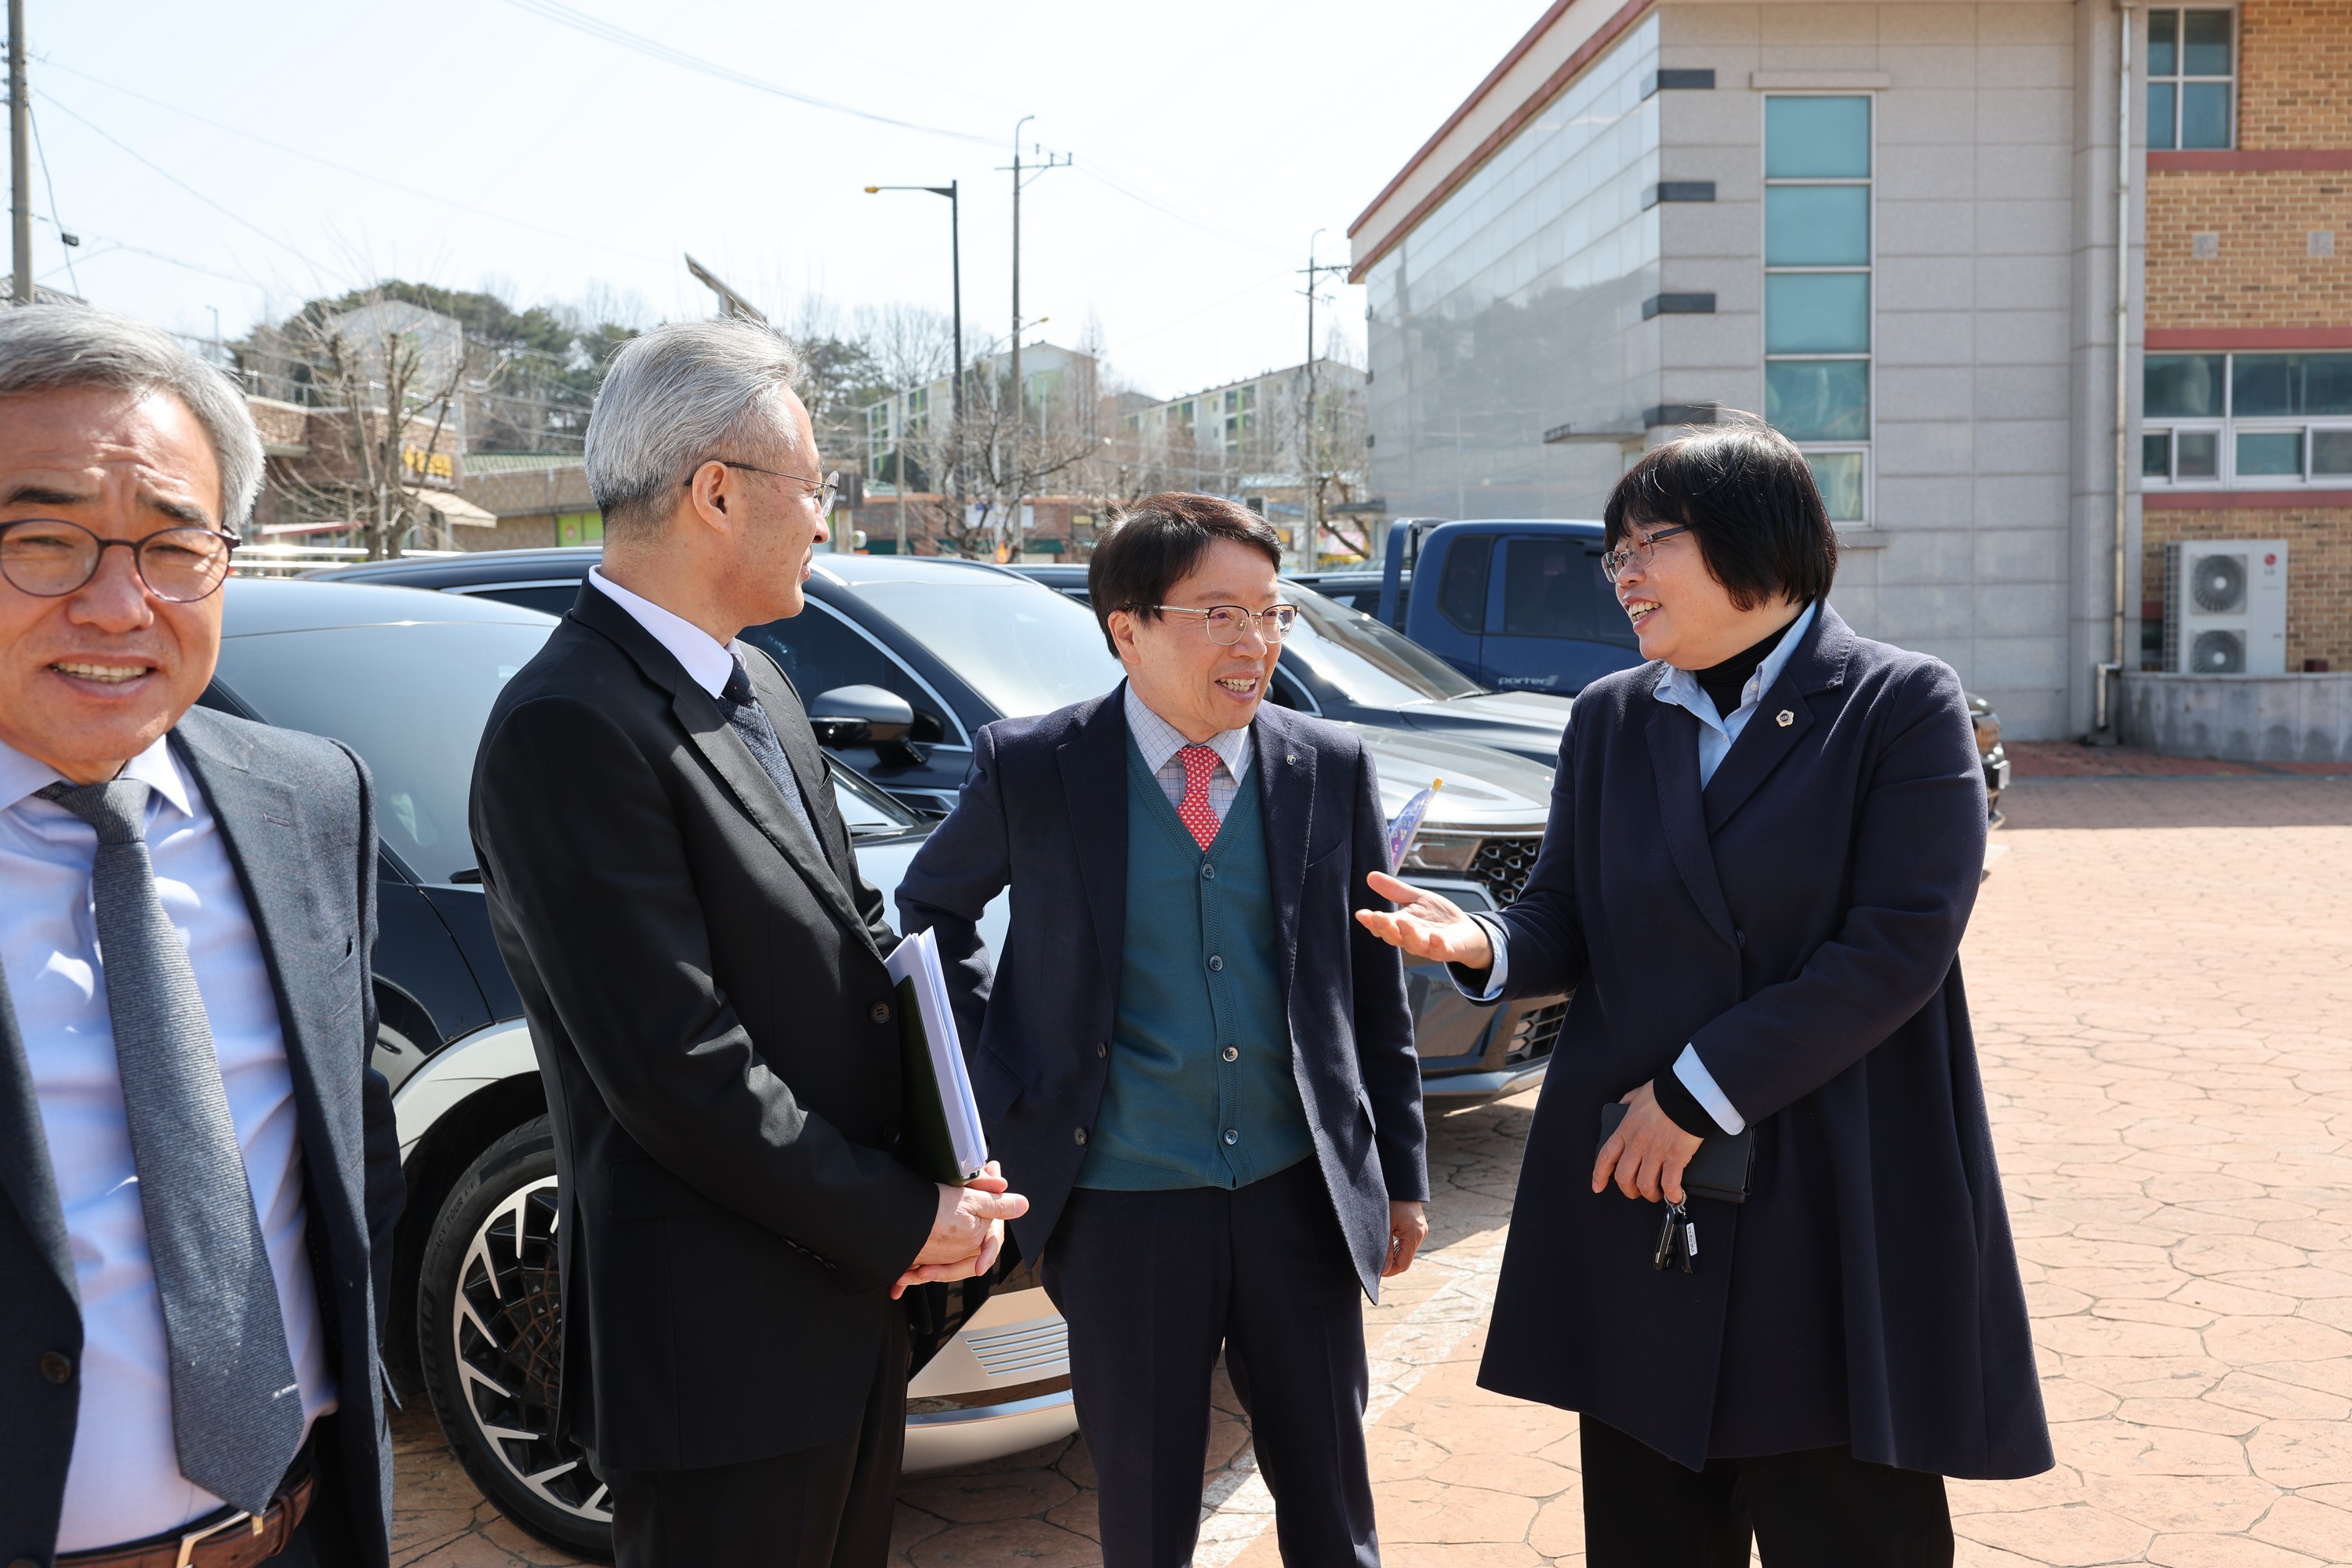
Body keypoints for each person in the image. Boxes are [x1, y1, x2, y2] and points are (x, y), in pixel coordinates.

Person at [1359, 425, 2049, 1567]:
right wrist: (1477, 943)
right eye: (1613, 553)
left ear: (1757, 540)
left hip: (1828, 1172)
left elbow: (1899, 945)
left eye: (1651, 544)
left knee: (1847, 1515)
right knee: (1650, 1514)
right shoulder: (1613, 716)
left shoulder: (1898, 704)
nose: (1623, 574)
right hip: (1641, 1198)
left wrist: (1692, 1095)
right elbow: (1567, 917)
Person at [469, 318, 1025, 1568]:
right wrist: (900, 1218)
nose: (830, 519)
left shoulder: (757, 682)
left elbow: (857, 952)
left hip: (843, 1312)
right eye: (817, 484)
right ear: (717, 492)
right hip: (720, 1353)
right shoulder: (568, 725)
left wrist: (954, 1163)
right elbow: (680, 1066)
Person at [895, 493, 1428, 1568]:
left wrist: (1401, 1173)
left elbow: (1374, 984)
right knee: (1146, 1515)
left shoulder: (1327, 763)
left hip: (1298, 1198)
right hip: (1124, 1206)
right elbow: (930, 915)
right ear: (1126, 627)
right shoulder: (1035, 766)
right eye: (1219, 614)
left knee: (1333, 1502)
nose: (1256, 642)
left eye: (1271, 613)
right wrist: (1011, 1070)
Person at [0, 307, 402, 1568]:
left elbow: (349, 1152)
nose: (120, 607)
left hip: (299, 1533)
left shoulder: (309, 799)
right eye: (46, 541)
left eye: (176, 548)